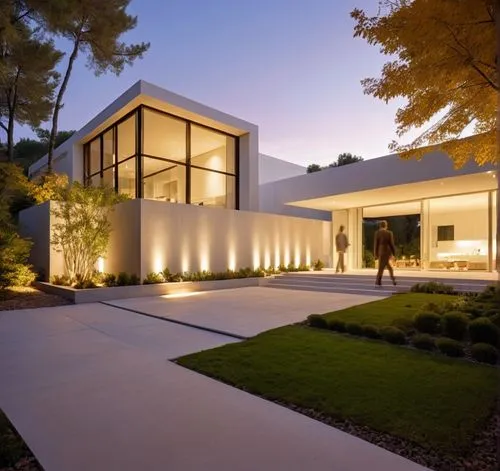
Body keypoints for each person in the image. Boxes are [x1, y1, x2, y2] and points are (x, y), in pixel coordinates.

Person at [374, 220, 397, 286]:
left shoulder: (377, 233)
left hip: (380, 251)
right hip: (387, 252)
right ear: (386, 226)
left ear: (380, 226)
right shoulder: (389, 233)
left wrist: (375, 254)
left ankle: (378, 281)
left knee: (381, 267)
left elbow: (376, 244)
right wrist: (394, 253)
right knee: (387, 266)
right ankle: (392, 279)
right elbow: (392, 244)